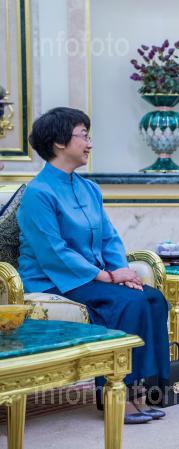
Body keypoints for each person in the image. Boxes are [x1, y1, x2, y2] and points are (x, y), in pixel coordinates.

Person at [17, 107, 170, 425]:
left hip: (93, 276)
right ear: (59, 143)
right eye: (83, 136)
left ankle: (144, 391)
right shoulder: (38, 193)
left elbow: (109, 239)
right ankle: (117, 398)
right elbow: (53, 252)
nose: (89, 143)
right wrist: (107, 276)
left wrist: (123, 274)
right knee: (129, 304)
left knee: (153, 298)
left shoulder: (89, 188)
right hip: (53, 278)